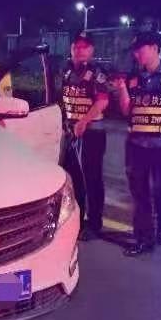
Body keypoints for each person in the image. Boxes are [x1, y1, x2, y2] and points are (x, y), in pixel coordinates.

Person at [113, 31, 161, 257]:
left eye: (141, 49)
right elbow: (127, 110)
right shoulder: (134, 78)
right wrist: (122, 89)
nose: (136, 54)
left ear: (155, 48)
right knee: (140, 194)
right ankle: (143, 238)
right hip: (137, 146)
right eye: (135, 51)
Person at [59, 31, 110, 241]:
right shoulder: (65, 70)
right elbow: (63, 99)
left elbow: (102, 101)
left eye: (85, 47)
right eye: (76, 46)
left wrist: (84, 121)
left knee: (92, 180)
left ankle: (95, 224)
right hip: (71, 133)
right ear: (71, 48)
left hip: (92, 133)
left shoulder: (97, 72)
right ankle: (77, 220)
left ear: (91, 50)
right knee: (74, 180)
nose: (80, 50)